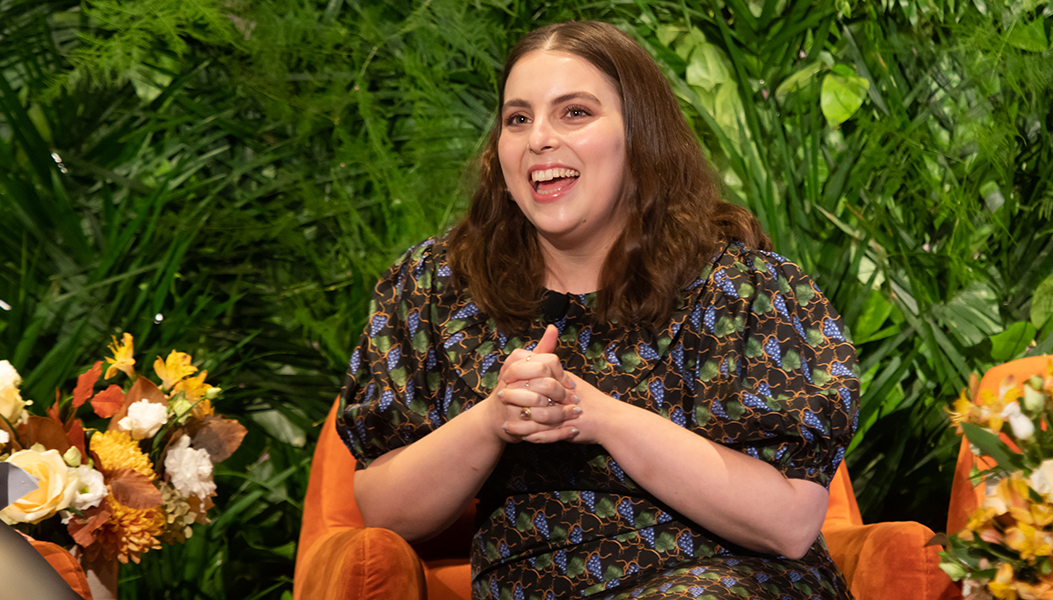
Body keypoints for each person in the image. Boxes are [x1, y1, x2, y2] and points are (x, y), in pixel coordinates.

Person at [336, 20, 859, 600]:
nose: (539, 139)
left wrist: (600, 416)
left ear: (639, 135)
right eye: (518, 118)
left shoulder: (738, 288)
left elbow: (788, 524)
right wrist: (492, 421)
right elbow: (385, 512)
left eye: (574, 113)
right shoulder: (437, 289)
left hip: (725, 582)